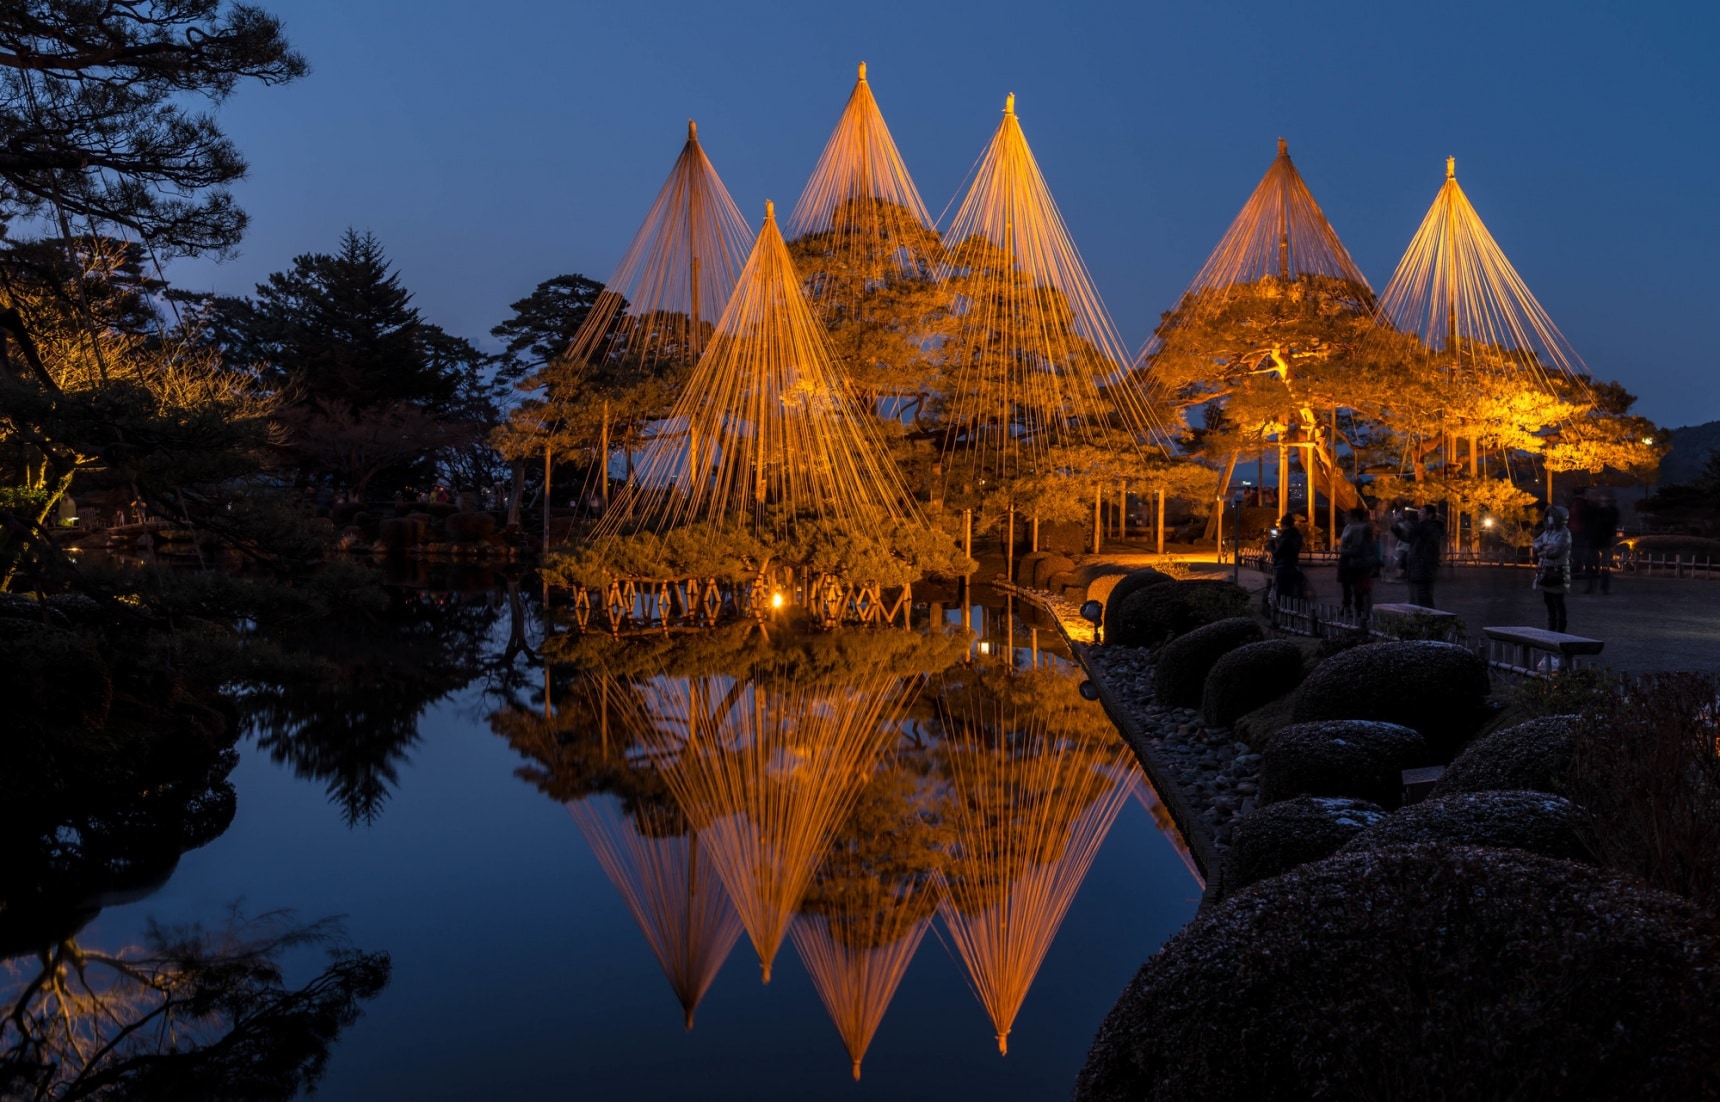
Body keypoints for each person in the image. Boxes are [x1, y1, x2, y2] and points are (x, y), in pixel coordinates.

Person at [1393, 504, 1446, 609]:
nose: (1419, 515)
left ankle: (1430, 624)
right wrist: (1395, 527)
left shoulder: (1432, 529)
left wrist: (1406, 520)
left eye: (1422, 513)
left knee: (1424, 601)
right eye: (1419, 512)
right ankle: (1419, 624)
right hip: (1415, 571)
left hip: (1423, 571)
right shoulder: (1421, 529)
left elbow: (1416, 530)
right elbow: (1407, 537)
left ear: (1430, 515)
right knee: (1414, 602)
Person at [1533, 505, 1573, 632]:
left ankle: (1560, 630)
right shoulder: (1548, 532)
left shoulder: (1565, 533)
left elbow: (1556, 550)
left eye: (1552, 515)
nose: (1549, 518)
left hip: (1558, 571)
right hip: (1545, 570)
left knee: (1558, 602)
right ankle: (1551, 629)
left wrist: (1543, 549)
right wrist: (1544, 548)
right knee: (1548, 601)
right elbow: (1536, 543)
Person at [1337, 506, 1378, 616]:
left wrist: (1344, 550)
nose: (1346, 519)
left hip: (1352, 561)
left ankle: (1353, 607)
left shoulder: (1357, 528)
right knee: (1354, 586)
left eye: (1348, 517)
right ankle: (1355, 607)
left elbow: (1356, 546)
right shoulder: (1354, 527)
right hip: (1355, 561)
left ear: (1354, 518)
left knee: (1353, 586)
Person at [1585, 493, 1620, 595]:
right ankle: (1594, 586)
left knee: (1603, 566)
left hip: (1602, 540)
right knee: (1593, 565)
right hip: (1597, 540)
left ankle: (1602, 587)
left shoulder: (1609, 512)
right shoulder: (1597, 511)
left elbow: (1610, 525)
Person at [1270, 513, 1306, 600]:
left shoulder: (1286, 538)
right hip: (1294, 566)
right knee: (1291, 592)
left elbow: (1276, 553)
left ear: (1284, 524)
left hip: (1283, 567)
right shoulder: (1296, 535)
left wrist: (1271, 542)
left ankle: (1280, 610)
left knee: (1281, 593)